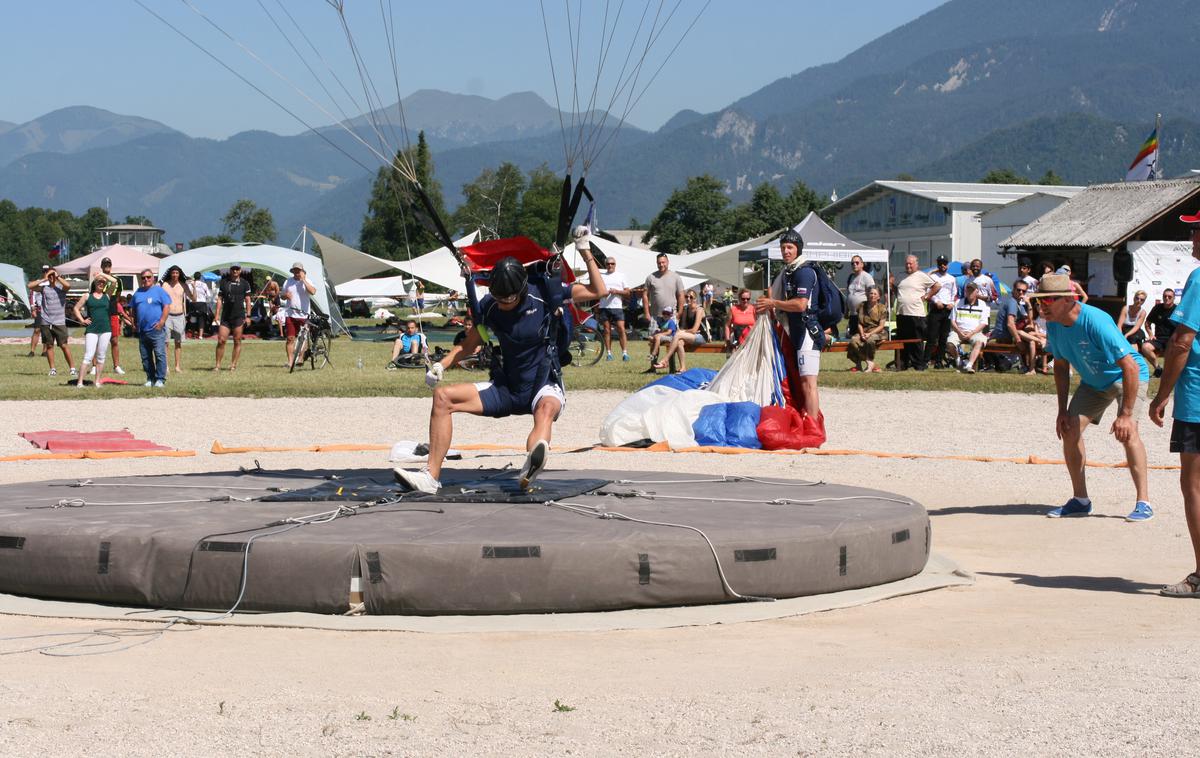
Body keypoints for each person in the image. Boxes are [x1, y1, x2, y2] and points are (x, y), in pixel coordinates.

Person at [393, 232, 607, 494]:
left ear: (521, 290)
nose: (504, 303)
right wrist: (442, 365)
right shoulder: (490, 307)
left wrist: (585, 250)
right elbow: (471, 343)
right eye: (499, 297)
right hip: (506, 388)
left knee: (546, 411)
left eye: (510, 299)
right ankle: (430, 477)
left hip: (543, 385)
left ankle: (531, 465)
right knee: (442, 397)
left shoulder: (545, 294)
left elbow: (599, 290)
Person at [1031, 272, 1152, 522]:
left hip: (1127, 377)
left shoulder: (1096, 321)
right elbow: (1061, 367)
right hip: (1094, 383)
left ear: (1067, 299)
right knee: (1070, 428)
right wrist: (1062, 410)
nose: (1042, 306)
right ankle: (1080, 500)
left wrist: (1126, 415)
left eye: (1047, 300)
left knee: (1128, 433)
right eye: (1039, 301)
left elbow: (1130, 366)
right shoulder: (1054, 325)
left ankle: (1144, 502)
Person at [1148, 213, 1200, 596]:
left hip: (1198, 398)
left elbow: (1182, 341)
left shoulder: (1199, 278)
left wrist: (1162, 394)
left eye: (1196, 229)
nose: (1191, 236)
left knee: (1194, 484)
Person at [756, 229, 823, 418]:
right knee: (798, 380)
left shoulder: (804, 272)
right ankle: (806, 418)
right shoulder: (788, 272)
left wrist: (773, 303)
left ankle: (813, 425)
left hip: (808, 333)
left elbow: (801, 304)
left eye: (790, 247)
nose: (786, 251)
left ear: (798, 249)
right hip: (795, 332)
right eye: (783, 247)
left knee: (808, 383)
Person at [894, 255, 940, 371]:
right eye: (907, 264)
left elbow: (937, 286)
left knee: (916, 340)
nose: (908, 266)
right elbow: (894, 287)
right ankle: (902, 364)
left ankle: (918, 364)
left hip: (916, 314)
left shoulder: (921, 275)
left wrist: (927, 296)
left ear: (916, 264)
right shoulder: (900, 275)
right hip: (902, 313)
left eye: (911, 263)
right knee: (902, 340)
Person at [28, 267, 75, 378]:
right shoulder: (44, 289)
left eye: (53, 275)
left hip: (59, 322)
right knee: (49, 345)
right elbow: (30, 286)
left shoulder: (61, 288)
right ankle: (52, 369)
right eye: (50, 276)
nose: (52, 277)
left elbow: (68, 286)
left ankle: (72, 369)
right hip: (46, 321)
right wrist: (44, 279)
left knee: (64, 345)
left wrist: (57, 276)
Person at [129, 268, 171, 387]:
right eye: (143, 278)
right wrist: (134, 323)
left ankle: (160, 379)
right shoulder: (138, 292)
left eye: (148, 277)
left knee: (159, 355)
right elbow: (133, 309)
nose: (146, 279)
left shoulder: (159, 291)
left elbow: (167, 306)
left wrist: (162, 322)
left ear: (153, 278)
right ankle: (150, 378)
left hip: (156, 330)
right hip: (142, 330)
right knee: (145, 357)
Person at [990, 280, 1041, 374]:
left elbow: (1029, 321)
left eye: (1024, 291)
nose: (1021, 292)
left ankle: (1030, 367)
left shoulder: (1018, 304)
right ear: (1013, 290)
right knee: (1031, 339)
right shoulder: (1012, 302)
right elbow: (1010, 324)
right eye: (1018, 290)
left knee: (1031, 335)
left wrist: (1028, 304)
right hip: (1005, 337)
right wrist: (1018, 341)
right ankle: (1030, 367)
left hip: (1012, 335)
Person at [71, 278, 112, 388]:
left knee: (101, 356)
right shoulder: (87, 296)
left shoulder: (107, 295)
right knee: (88, 356)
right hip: (92, 330)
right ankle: (80, 382)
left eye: (103, 282)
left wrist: (102, 274)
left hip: (106, 330)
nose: (101, 284)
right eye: (99, 282)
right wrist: (82, 320)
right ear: (94, 283)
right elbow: (76, 308)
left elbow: (114, 282)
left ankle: (97, 382)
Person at [93, 257, 127, 375]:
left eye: (108, 264)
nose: (107, 266)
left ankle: (116, 366)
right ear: (101, 266)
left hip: (112, 312)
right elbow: (93, 296)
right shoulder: (97, 279)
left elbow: (117, 296)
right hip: (100, 313)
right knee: (97, 339)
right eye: (105, 264)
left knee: (114, 340)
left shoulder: (117, 280)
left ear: (111, 266)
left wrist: (114, 307)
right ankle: (94, 366)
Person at [213, 265, 252, 371]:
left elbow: (248, 300)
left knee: (237, 340)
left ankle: (233, 365)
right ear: (230, 270)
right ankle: (217, 365)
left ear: (240, 271)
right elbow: (220, 299)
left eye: (237, 269)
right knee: (221, 340)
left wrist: (248, 316)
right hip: (225, 316)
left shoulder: (245, 283)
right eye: (233, 269)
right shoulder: (224, 282)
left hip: (238, 316)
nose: (235, 271)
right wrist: (216, 314)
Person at [659, 291, 706, 372]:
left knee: (677, 335)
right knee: (679, 342)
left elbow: (694, 330)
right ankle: (683, 368)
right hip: (689, 335)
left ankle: (665, 359)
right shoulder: (686, 309)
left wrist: (682, 331)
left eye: (691, 297)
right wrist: (681, 330)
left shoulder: (699, 310)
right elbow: (682, 327)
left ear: (695, 299)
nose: (688, 299)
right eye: (686, 296)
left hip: (701, 336)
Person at [947, 282, 989, 374]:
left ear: (976, 292)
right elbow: (952, 321)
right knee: (950, 343)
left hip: (975, 332)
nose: (970, 292)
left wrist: (972, 333)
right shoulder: (958, 302)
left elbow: (983, 323)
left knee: (979, 342)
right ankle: (958, 360)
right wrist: (959, 332)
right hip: (959, 331)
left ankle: (969, 365)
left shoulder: (982, 304)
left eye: (972, 290)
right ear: (965, 291)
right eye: (968, 290)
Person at [282, 262, 318, 367]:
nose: (297, 272)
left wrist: (304, 280)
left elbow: (313, 292)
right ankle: (290, 361)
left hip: (303, 314)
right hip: (290, 313)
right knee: (290, 338)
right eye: (295, 270)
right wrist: (285, 296)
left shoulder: (308, 281)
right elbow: (282, 295)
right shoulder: (288, 281)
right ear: (292, 271)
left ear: (302, 271)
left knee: (303, 338)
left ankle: (301, 358)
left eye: (299, 270)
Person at [642, 252, 685, 337]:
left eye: (663, 262)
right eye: (659, 263)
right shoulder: (650, 277)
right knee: (654, 341)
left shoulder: (676, 277)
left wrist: (680, 312)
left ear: (668, 262)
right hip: (655, 316)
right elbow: (644, 295)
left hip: (671, 316)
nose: (661, 265)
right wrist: (647, 313)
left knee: (674, 341)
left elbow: (681, 295)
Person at [926, 255, 958, 368]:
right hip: (936, 308)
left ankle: (939, 361)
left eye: (944, 263)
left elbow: (954, 293)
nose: (942, 266)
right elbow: (928, 291)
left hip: (947, 309)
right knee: (932, 336)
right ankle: (926, 360)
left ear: (947, 265)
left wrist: (952, 304)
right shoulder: (933, 277)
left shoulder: (952, 278)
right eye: (940, 263)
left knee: (943, 337)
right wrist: (935, 301)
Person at [160, 265, 192, 373]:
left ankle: (177, 366)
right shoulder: (164, 285)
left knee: (178, 342)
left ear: (179, 274)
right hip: (167, 316)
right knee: (165, 342)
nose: (174, 275)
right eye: (173, 273)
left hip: (179, 315)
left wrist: (194, 286)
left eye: (177, 273)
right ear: (170, 273)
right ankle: (166, 367)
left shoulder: (183, 285)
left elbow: (193, 298)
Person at [597, 257, 630, 361]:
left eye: (612, 264)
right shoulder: (601, 276)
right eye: (608, 264)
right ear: (605, 265)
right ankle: (609, 354)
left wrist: (617, 291)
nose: (610, 265)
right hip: (604, 307)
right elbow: (596, 291)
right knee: (607, 331)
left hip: (617, 307)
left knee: (621, 329)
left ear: (615, 265)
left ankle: (624, 353)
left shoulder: (621, 276)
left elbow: (628, 292)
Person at [847, 285, 887, 372]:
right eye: (871, 293)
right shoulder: (861, 306)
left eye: (875, 294)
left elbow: (881, 326)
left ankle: (870, 361)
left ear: (879, 296)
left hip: (878, 332)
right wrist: (862, 334)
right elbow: (859, 323)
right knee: (853, 340)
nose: (872, 295)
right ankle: (865, 363)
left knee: (869, 340)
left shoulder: (882, 308)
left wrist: (869, 334)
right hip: (864, 331)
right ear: (868, 295)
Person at [1141, 287, 1178, 378]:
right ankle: (1158, 368)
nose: (1167, 298)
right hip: (1159, 339)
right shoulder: (1157, 308)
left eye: (1169, 297)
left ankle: (1171, 372)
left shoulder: (1178, 310)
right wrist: (1150, 334)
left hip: (1173, 339)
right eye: (1165, 296)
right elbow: (1147, 323)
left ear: (1174, 298)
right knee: (1145, 347)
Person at [845, 255, 875, 338]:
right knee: (852, 337)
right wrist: (846, 310)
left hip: (863, 314)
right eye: (852, 263)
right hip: (853, 314)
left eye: (857, 262)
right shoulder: (851, 277)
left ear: (862, 264)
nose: (854, 264)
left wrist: (870, 311)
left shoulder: (867, 277)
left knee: (862, 338)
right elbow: (849, 294)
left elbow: (872, 294)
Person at [191, 271, 213, 338]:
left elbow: (187, 295)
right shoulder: (204, 284)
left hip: (193, 303)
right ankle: (200, 336)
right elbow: (209, 295)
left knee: (193, 319)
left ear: (194, 277)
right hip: (202, 303)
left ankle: (193, 334)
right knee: (202, 319)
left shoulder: (191, 284)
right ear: (200, 277)